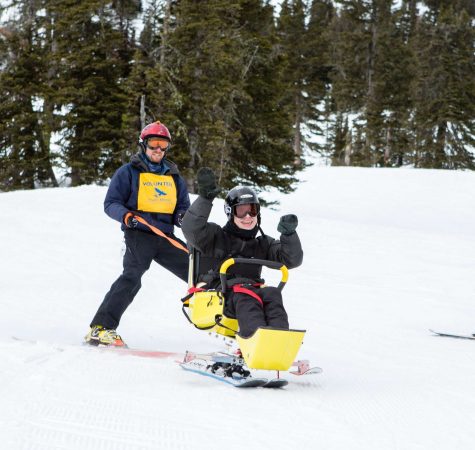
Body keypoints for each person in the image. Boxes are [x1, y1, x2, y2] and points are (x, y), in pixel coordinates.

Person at [85, 121, 190, 347]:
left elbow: (182, 206)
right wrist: (126, 217)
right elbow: (111, 203)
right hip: (138, 234)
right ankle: (101, 329)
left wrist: (182, 217)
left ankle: (236, 330)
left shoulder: (174, 177)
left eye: (163, 145)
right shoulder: (128, 172)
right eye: (154, 144)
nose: (158, 150)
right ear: (144, 145)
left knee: (198, 272)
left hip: (164, 236)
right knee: (132, 276)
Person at [181, 167, 303, 338]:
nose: (247, 216)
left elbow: (291, 260)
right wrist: (205, 199)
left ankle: (278, 340)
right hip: (217, 297)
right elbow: (190, 229)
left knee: (271, 293)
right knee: (246, 296)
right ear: (231, 213)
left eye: (252, 210)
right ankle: (254, 340)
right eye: (241, 210)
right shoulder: (215, 236)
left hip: (247, 293)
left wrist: (289, 235)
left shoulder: (263, 243)